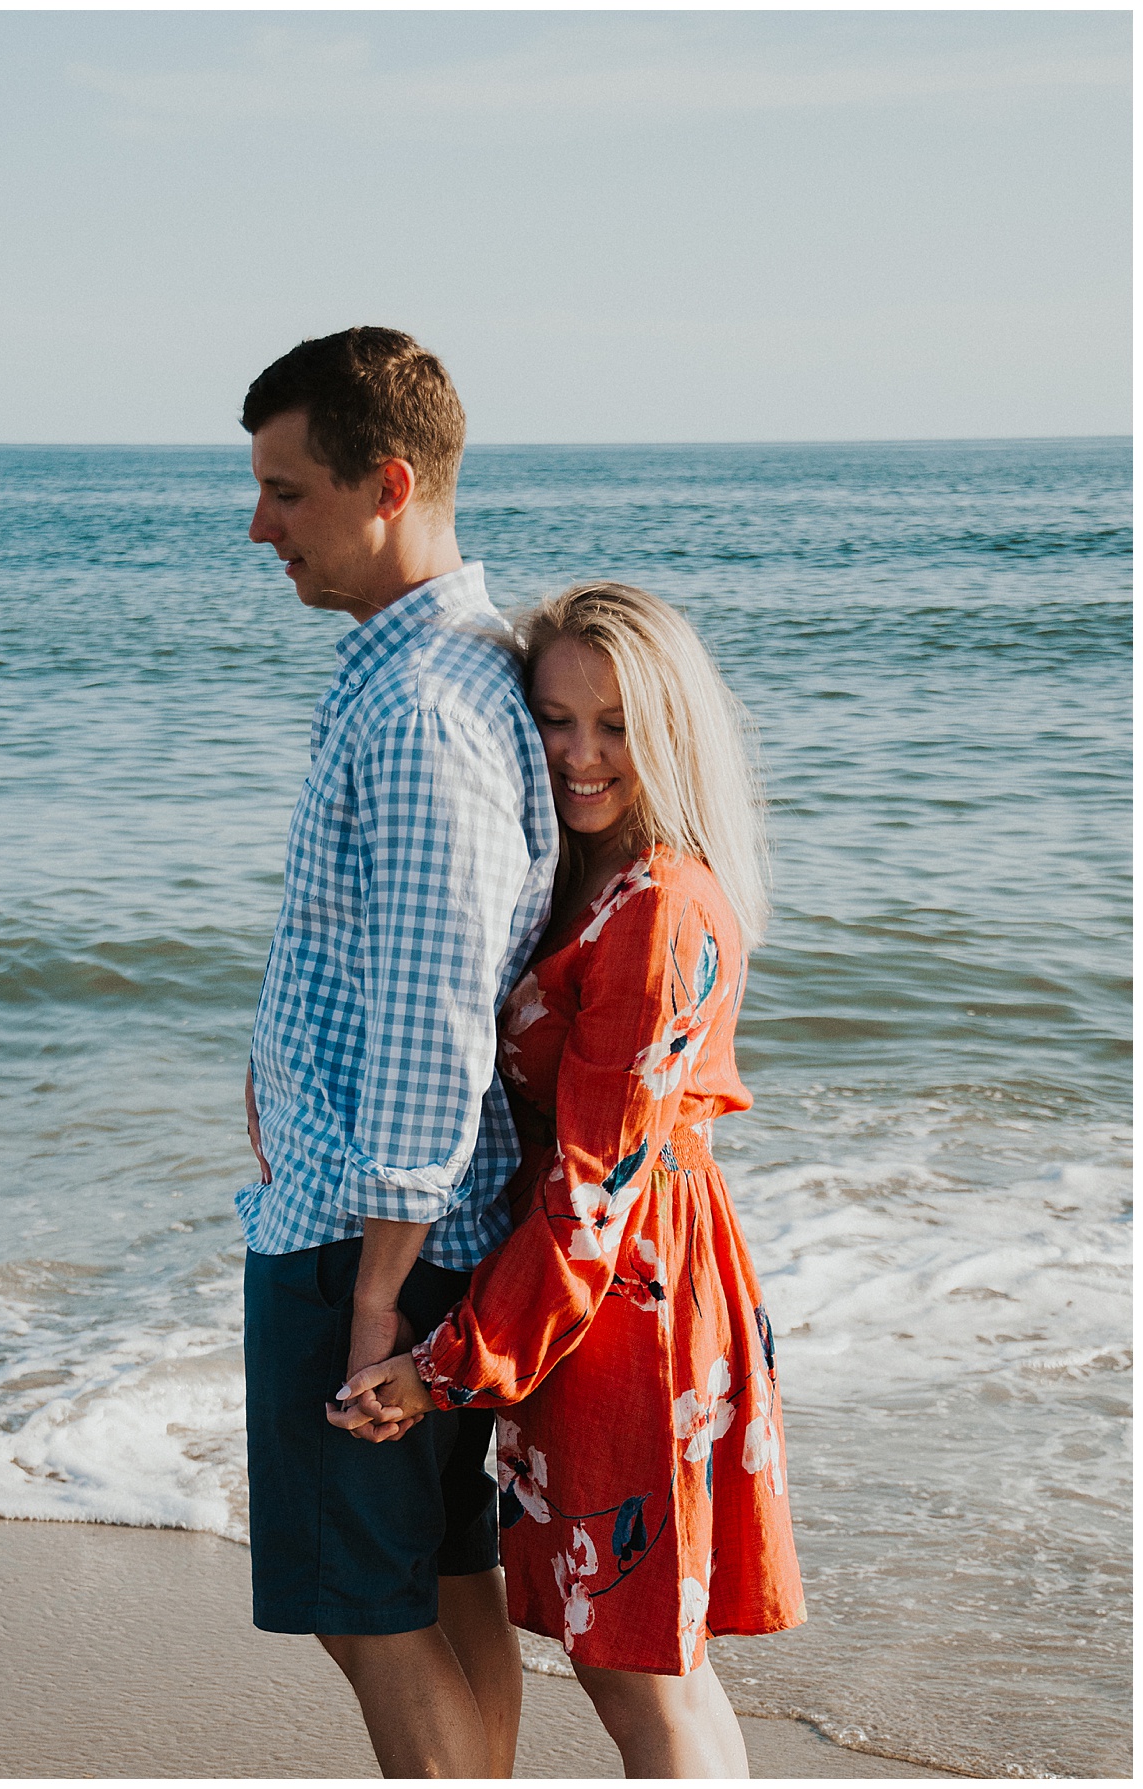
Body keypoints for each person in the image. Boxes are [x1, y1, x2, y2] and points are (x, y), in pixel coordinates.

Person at [335, 582, 808, 1779]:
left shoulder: (661, 906)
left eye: (614, 726)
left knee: (640, 1667)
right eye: (554, 721)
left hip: (629, 1295)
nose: (581, 757)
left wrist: (442, 1370)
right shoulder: (587, 878)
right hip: (588, 1289)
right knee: (641, 1659)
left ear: (669, 732)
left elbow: (596, 1185)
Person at [237, 326, 558, 1779]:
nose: (262, 526)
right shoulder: (444, 668)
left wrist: (373, 1298)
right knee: (439, 1578)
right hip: (416, 1227)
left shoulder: (428, 707)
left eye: (288, 492)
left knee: (369, 1617)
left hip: (370, 1242)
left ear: (388, 482)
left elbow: (437, 1026)